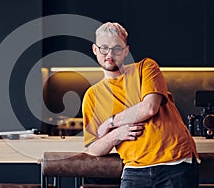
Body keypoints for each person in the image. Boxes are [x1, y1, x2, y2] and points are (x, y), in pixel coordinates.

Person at [82, 22, 199, 188]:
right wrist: (116, 135)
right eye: (104, 48)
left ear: (126, 51)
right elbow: (93, 148)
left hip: (176, 162)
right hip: (134, 169)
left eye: (117, 48)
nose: (110, 54)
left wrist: (111, 122)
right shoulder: (92, 95)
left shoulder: (146, 67)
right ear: (95, 49)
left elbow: (149, 107)